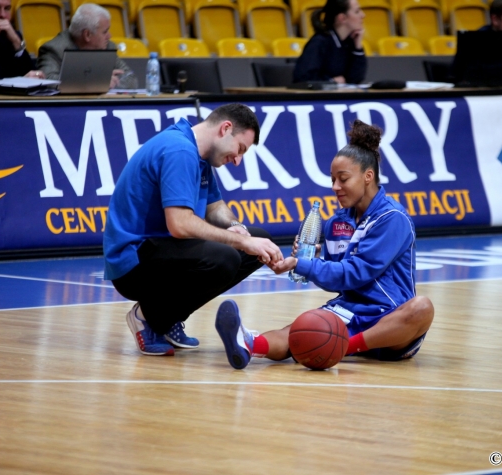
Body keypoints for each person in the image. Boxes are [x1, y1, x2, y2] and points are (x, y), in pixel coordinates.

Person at [215, 120, 435, 370]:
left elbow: (355, 272)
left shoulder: (392, 219)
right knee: (299, 330)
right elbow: (336, 275)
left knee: (422, 307)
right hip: (350, 309)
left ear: (368, 176)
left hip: (390, 319)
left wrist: (302, 264)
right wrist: (310, 259)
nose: (335, 187)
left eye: (343, 179)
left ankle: (342, 346)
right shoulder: (336, 223)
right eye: (332, 179)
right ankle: (249, 343)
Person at [104, 103, 284, 357]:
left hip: (162, 251)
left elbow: (215, 206)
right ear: (225, 129)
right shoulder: (179, 151)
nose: (237, 160)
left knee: (260, 240)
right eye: (240, 149)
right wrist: (241, 243)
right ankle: (148, 317)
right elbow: (180, 224)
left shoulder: (198, 153)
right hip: (133, 262)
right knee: (225, 257)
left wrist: (238, 229)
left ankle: (166, 319)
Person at [35, 3, 137, 89]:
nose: (109, 36)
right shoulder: (54, 49)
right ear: (87, 35)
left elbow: (131, 79)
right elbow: (46, 81)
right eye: (105, 32)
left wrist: (106, 83)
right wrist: (97, 81)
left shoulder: (107, 46)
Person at [292, 0, 366, 85]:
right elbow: (302, 78)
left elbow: (354, 79)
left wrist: (358, 47)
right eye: (357, 11)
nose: (363, 15)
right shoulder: (319, 43)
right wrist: (330, 81)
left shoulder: (349, 42)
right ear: (342, 18)